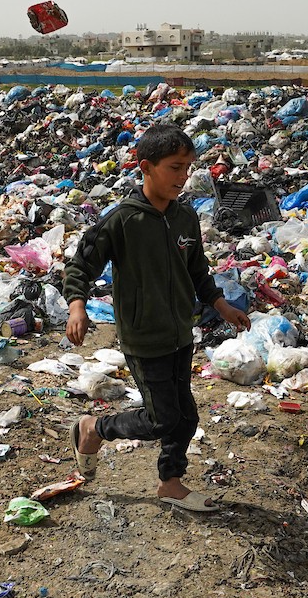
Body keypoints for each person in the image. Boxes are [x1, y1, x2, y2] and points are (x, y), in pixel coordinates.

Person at [63, 123, 251, 512]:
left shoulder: (185, 218)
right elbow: (81, 264)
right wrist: (77, 305)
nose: (183, 177)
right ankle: (93, 428)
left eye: (187, 168)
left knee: (186, 417)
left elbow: (197, 271)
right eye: (174, 168)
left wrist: (222, 306)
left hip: (181, 331)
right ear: (146, 167)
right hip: (144, 337)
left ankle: (171, 483)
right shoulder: (123, 220)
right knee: (162, 419)